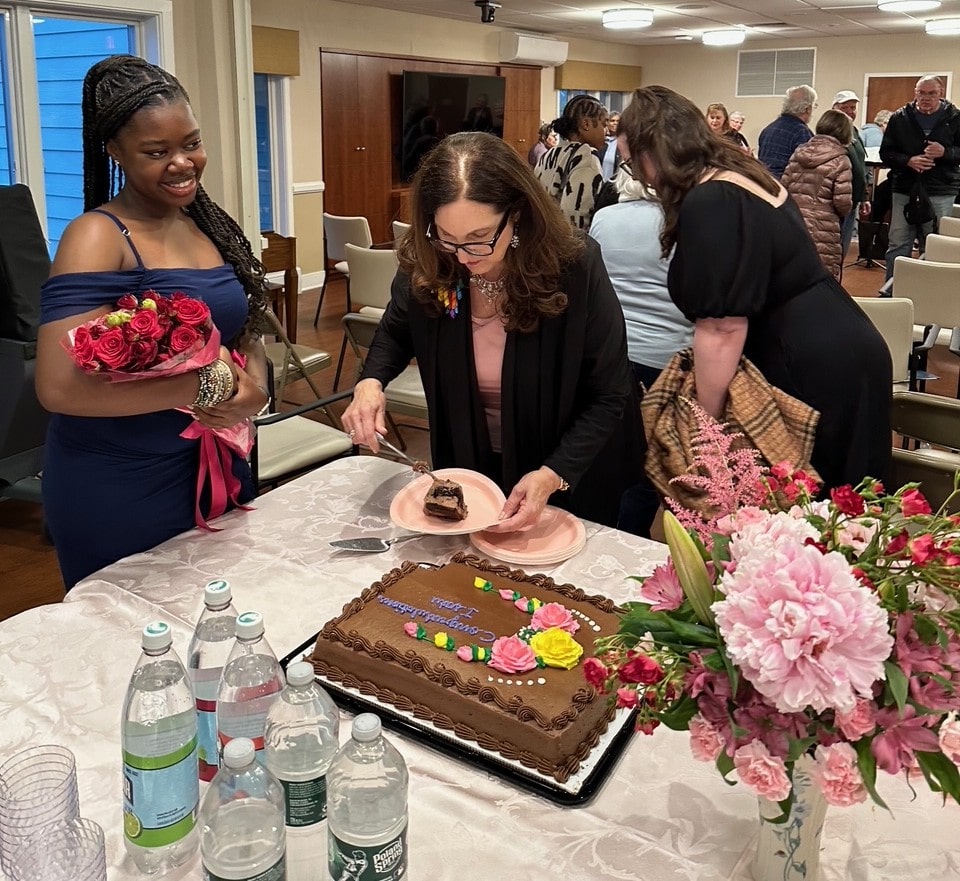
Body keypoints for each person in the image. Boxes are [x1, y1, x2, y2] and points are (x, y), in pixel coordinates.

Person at [36, 55, 270, 589]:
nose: (183, 163)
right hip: (120, 479)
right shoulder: (97, 236)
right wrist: (209, 383)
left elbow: (244, 330)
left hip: (217, 458)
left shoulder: (206, 226)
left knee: (222, 629)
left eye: (191, 143)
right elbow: (58, 388)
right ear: (115, 152)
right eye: (156, 152)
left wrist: (255, 389)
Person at [343, 131, 644, 532]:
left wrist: (553, 473)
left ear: (517, 213)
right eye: (447, 239)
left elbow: (610, 393)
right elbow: (396, 332)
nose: (463, 257)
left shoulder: (572, 266)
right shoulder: (433, 261)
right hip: (474, 458)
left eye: (479, 239)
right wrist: (370, 382)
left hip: (571, 465)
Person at [617, 85, 891, 492]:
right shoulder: (742, 174)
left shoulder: (711, 199)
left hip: (807, 359)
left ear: (653, 150)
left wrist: (706, 428)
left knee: (813, 509)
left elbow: (722, 328)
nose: (639, 177)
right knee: (846, 507)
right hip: (842, 341)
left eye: (633, 164)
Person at [589, 165, 693, 535]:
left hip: (609, 353)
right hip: (669, 358)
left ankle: (597, 529)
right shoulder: (685, 222)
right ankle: (630, 536)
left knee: (604, 450)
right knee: (653, 461)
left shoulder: (603, 219)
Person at [880, 75, 960, 280]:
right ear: (915, 93)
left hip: (941, 190)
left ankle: (930, 292)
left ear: (940, 93)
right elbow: (886, 153)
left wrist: (945, 152)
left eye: (931, 93)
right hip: (904, 188)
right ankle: (892, 291)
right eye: (921, 93)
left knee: (935, 243)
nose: (926, 98)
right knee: (898, 242)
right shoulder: (900, 118)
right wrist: (908, 160)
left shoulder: (955, 118)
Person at [782, 110, 854, 279]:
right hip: (824, 225)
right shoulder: (841, 160)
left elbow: (784, 187)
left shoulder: (798, 153)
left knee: (794, 273)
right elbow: (842, 203)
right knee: (823, 276)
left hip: (795, 220)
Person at [534, 94, 607, 231]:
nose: (606, 132)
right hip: (565, 243)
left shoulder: (549, 154)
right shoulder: (587, 156)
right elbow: (577, 218)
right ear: (586, 124)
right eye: (603, 124)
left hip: (540, 236)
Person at [830, 90, 870, 266]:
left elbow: (860, 166)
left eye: (853, 107)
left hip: (853, 199)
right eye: (845, 107)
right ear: (835, 109)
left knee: (843, 246)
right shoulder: (832, 134)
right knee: (834, 248)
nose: (850, 111)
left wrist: (864, 197)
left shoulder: (854, 131)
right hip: (838, 200)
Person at [757, 85, 817, 179]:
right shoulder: (802, 132)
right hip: (786, 188)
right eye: (814, 106)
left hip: (764, 185)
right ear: (807, 109)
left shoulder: (768, 129)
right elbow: (807, 171)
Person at [599, 111, 621, 179]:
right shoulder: (600, 141)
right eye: (612, 121)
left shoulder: (623, 143)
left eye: (618, 121)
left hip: (614, 183)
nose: (615, 123)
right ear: (607, 123)